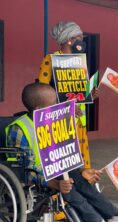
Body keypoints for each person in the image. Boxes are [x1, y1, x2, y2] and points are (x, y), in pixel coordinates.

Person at [6, 82, 118, 222]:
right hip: (37, 175)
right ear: (38, 109)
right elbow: (25, 171)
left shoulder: (55, 122)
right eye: (54, 103)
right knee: (68, 186)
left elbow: (67, 154)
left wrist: (81, 170)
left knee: (81, 179)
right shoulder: (20, 129)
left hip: (59, 169)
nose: (59, 105)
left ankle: (114, 214)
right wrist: (55, 184)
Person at [38, 21, 95, 170]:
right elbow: (41, 94)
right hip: (60, 122)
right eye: (79, 37)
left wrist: (91, 95)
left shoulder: (79, 61)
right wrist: (65, 107)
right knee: (65, 166)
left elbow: (80, 94)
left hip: (79, 122)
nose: (82, 42)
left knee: (83, 165)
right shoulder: (50, 60)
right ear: (69, 39)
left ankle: (84, 189)